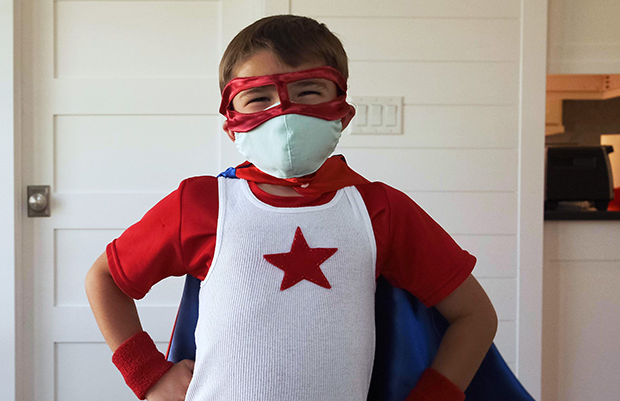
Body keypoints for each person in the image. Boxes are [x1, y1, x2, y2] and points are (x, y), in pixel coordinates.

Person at [85, 15, 498, 401]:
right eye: (258, 98)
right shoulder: (200, 203)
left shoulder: (381, 210)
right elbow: (105, 279)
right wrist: (147, 375)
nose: (283, 114)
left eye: (308, 91)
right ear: (231, 120)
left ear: (343, 109)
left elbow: (474, 316)